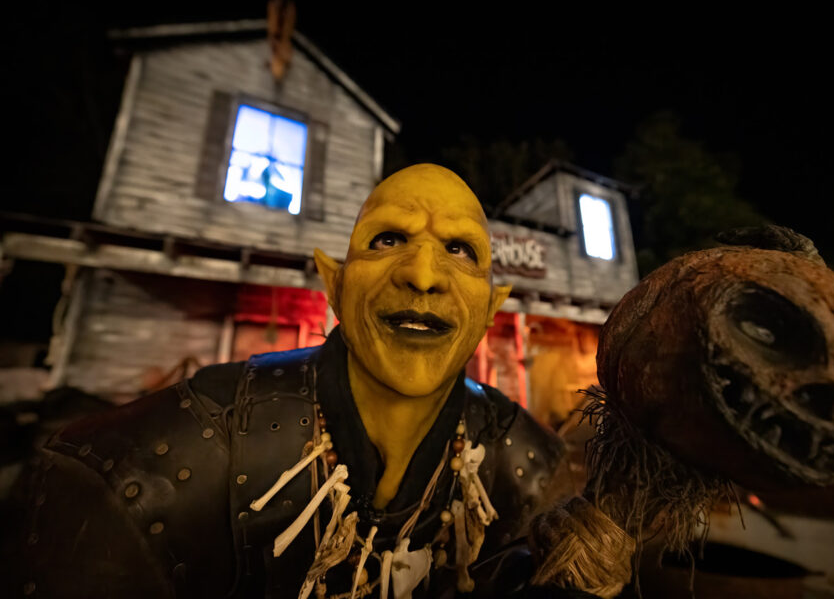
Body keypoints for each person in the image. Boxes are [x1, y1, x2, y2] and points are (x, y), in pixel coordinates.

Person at [9, 164, 568, 598]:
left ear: (491, 308)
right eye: (387, 240)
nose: (422, 275)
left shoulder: (531, 467)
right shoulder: (134, 475)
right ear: (335, 285)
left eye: (459, 249)